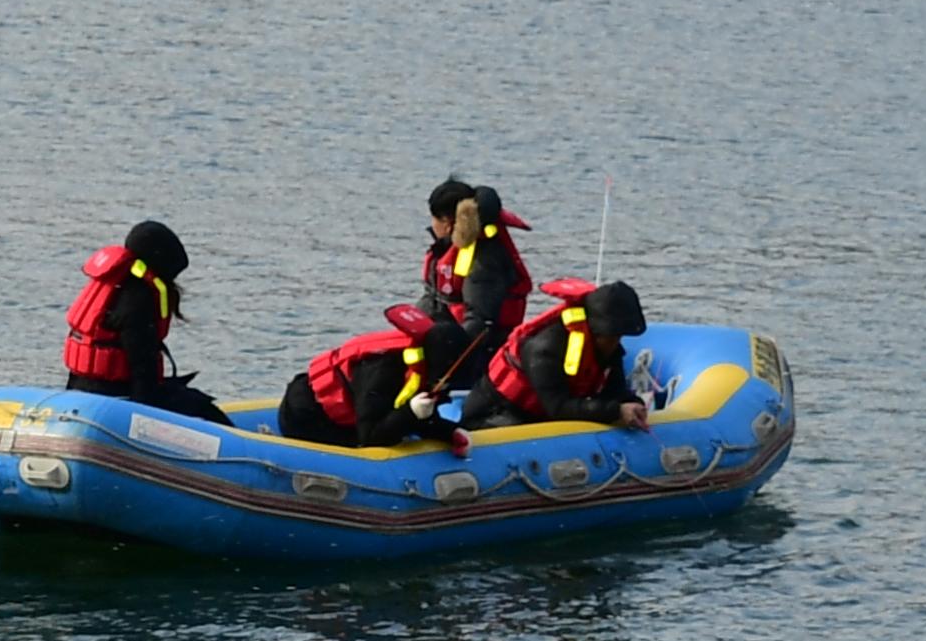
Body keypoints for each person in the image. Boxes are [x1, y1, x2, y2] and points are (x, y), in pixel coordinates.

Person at [61, 221, 230, 426]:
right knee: (205, 410)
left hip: (79, 392)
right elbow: (143, 371)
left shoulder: (112, 286)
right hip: (118, 401)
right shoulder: (140, 299)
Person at [417, 177, 535, 422]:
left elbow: (480, 323)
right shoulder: (446, 250)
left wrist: (445, 363)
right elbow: (434, 299)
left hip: (479, 354)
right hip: (448, 336)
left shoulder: (483, 261)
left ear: (448, 222)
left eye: (434, 218)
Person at [275, 305, 469, 453]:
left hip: (350, 414)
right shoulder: (384, 370)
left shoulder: (422, 367)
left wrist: (448, 433)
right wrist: (410, 412)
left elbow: (419, 417)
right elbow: (370, 438)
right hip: (306, 417)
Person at [482, 278, 652, 430]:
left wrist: (633, 404)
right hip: (495, 415)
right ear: (596, 331)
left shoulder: (608, 351)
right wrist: (616, 411)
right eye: (613, 337)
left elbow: (616, 391)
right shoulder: (545, 349)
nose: (616, 343)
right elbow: (558, 408)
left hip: (540, 415)